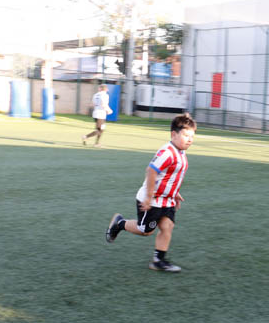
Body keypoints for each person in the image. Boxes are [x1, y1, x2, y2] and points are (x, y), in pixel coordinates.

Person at [105, 113, 196, 272]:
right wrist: (148, 198)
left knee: (167, 227)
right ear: (173, 134)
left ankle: (158, 260)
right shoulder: (167, 152)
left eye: (192, 136)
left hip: (167, 200)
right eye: (186, 135)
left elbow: (170, 175)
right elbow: (151, 171)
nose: (190, 139)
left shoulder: (181, 151)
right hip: (152, 200)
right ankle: (119, 224)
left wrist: (174, 193)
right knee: (146, 230)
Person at [82, 84, 113, 148]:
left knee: (102, 129)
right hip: (101, 114)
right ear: (105, 89)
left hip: (96, 112)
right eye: (107, 89)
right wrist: (109, 110)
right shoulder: (105, 95)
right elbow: (103, 104)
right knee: (99, 130)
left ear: (100, 88)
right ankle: (86, 137)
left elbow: (93, 104)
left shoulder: (95, 95)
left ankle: (97, 143)